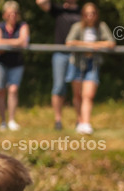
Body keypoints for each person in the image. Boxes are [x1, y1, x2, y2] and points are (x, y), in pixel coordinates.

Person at [65, 3, 115, 135]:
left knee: (88, 95)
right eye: (87, 14)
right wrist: (88, 45)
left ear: (96, 14)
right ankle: (80, 121)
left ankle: (86, 123)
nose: (90, 16)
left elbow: (111, 42)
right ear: (83, 15)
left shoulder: (101, 27)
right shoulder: (77, 27)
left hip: (92, 64)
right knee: (77, 95)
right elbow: (69, 42)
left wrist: (95, 45)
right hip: (76, 63)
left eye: (93, 13)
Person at [35, 0, 81, 131]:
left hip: (78, 54)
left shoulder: (83, 12)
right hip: (60, 54)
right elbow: (40, 2)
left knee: (78, 90)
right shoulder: (59, 10)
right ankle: (58, 120)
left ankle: (80, 120)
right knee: (59, 87)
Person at [0, 1, 29, 132]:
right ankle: (3, 121)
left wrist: (5, 44)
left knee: (13, 90)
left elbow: (23, 41)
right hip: (1, 63)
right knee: (1, 90)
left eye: (14, 13)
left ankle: (11, 120)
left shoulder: (23, 25)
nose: (12, 16)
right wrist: (15, 42)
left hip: (17, 63)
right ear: (4, 15)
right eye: (9, 13)